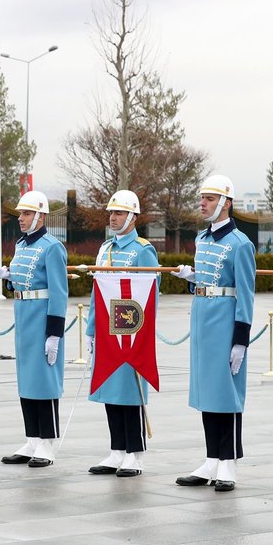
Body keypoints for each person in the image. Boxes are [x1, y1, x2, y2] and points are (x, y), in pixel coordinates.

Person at [172, 175, 255, 492]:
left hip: (225, 324)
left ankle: (228, 463)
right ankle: (211, 459)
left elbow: (244, 293)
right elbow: (209, 281)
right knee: (207, 392)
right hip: (203, 321)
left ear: (226, 202)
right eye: (202, 197)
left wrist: (240, 340)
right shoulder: (202, 240)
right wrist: (191, 277)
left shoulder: (240, 244)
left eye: (209, 198)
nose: (203, 203)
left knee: (227, 395)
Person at [86, 190, 160, 477]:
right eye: (111, 213)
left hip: (131, 328)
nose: (112, 218)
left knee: (130, 390)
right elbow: (96, 292)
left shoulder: (143, 249)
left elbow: (151, 292)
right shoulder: (105, 249)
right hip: (106, 329)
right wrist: (91, 329)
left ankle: (135, 453)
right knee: (110, 387)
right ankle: (117, 450)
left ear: (132, 216)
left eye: (118, 213)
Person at [0, 191, 68, 468]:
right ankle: (32, 438)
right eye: (20, 214)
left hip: (41, 317)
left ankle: (47, 443)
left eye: (25, 214)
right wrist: (9, 278)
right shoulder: (21, 246)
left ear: (40, 215)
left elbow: (59, 292)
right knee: (27, 380)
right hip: (23, 314)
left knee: (44, 382)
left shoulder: (52, 247)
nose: (20, 219)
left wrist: (54, 334)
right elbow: (24, 281)